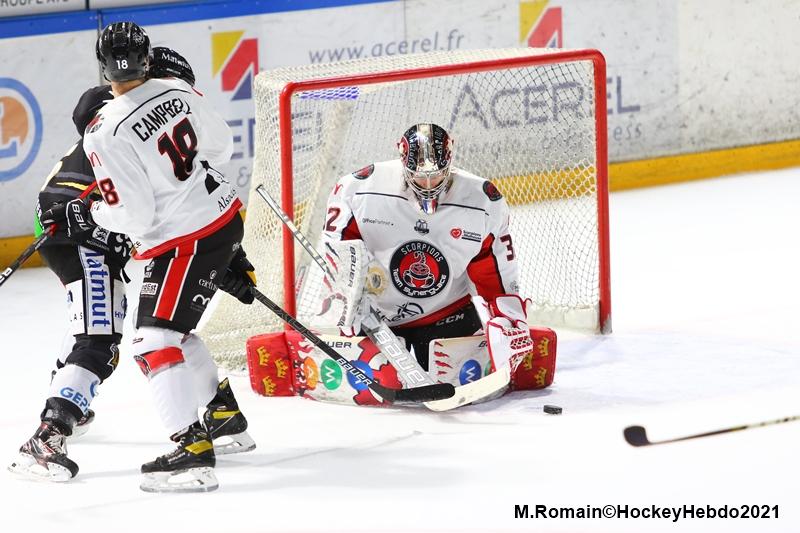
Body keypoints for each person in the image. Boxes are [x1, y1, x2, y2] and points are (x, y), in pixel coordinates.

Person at [9, 45, 255, 487]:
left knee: (166, 328)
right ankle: (50, 433)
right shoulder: (116, 121)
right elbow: (90, 120)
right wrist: (84, 214)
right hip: (79, 232)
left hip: (116, 228)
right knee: (102, 337)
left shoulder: (148, 110)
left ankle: (221, 414)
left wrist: (226, 259)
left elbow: (188, 192)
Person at [318, 123, 532, 376]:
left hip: (446, 313)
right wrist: (345, 305)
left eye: (437, 175)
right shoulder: (359, 189)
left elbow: (493, 269)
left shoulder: (483, 201)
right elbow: (340, 254)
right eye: (420, 175)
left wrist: (507, 318)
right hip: (375, 317)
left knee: (460, 383)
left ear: (450, 162)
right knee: (372, 387)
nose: (428, 184)